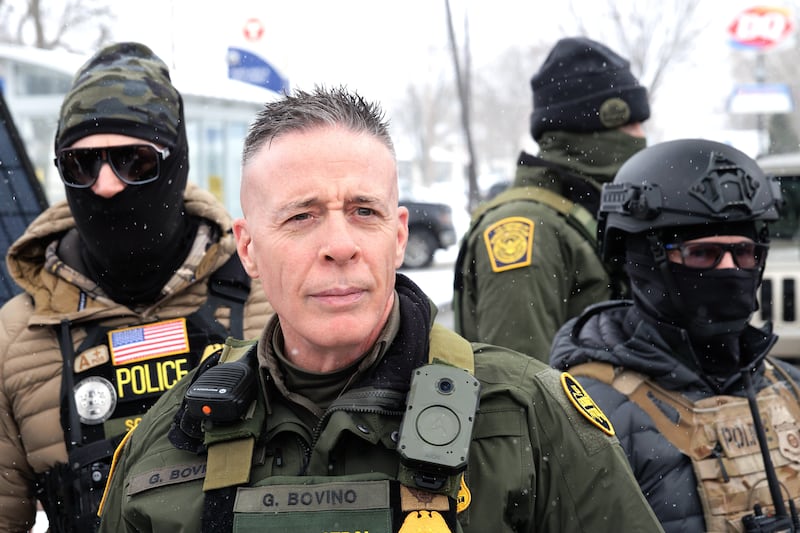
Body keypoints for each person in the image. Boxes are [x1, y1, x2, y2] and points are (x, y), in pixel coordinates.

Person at [97, 86, 664, 533]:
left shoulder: (530, 417)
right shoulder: (170, 437)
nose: (340, 244)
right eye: (301, 216)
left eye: (364, 211)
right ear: (248, 248)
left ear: (398, 237)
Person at [0, 42, 273, 533]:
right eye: (81, 164)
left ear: (177, 165)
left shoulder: (270, 298)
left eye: (134, 160)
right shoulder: (15, 338)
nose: (105, 185)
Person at [550, 138, 800, 532]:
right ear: (641, 260)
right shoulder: (586, 411)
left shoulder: (788, 388)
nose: (731, 271)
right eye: (703, 254)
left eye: (745, 252)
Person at [453, 36, 650, 361]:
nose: (641, 136)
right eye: (631, 123)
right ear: (588, 130)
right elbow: (519, 388)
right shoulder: (526, 228)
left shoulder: (582, 214)